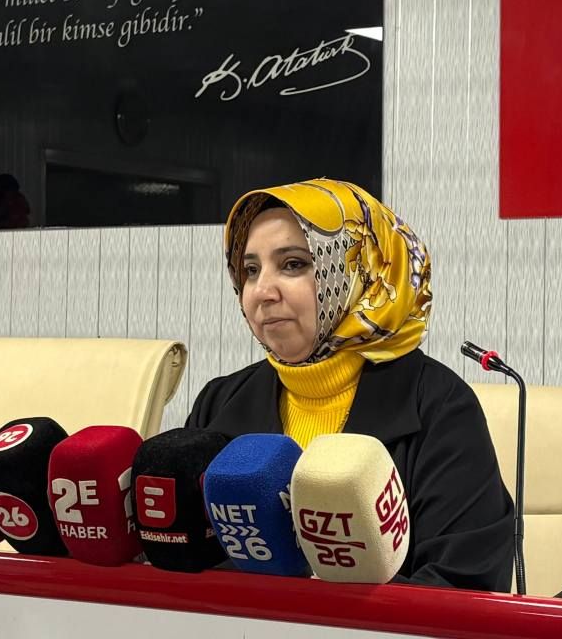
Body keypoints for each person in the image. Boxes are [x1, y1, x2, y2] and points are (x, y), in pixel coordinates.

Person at [185, 179, 515, 589]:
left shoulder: (441, 407)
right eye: (250, 270)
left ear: (365, 271)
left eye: (293, 264)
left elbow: (462, 586)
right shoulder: (219, 400)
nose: (262, 292)